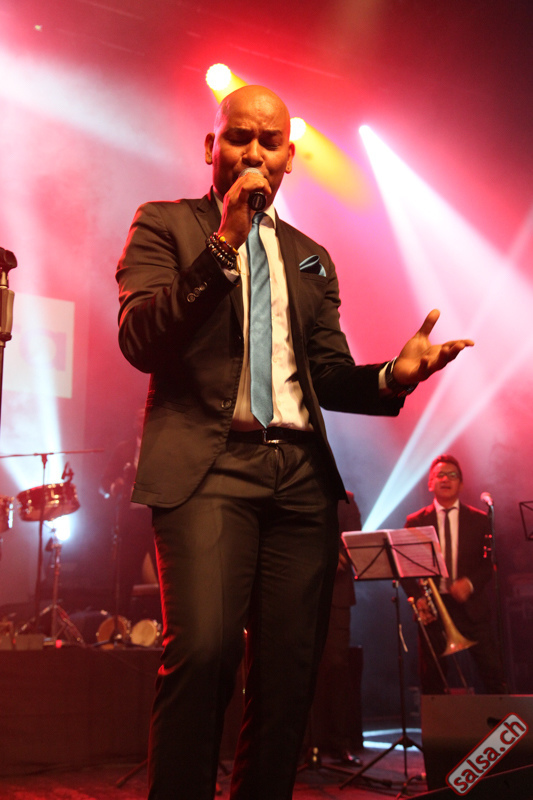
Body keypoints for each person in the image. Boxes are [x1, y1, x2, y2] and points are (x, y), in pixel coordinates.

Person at [115, 84, 474, 800]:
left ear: (289, 158)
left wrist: (392, 377)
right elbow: (140, 339)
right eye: (239, 137)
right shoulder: (165, 224)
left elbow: (330, 376)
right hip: (208, 469)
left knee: (289, 674)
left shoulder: (311, 258)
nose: (254, 152)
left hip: (300, 480)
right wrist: (224, 242)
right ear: (211, 147)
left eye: (270, 141)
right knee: (205, 652)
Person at [404, 454, 506, 694]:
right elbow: (405, 568)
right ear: (430, 483)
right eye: (440, 475)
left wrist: (469, 584)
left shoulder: (480, 520)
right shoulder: (415, 521)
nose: (446, 479)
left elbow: (489, 564)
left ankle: (502, 719)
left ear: (461, 484)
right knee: (432, 679)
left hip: (472, 608)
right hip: (433, 609)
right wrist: (417, 598)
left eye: (453, 475)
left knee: (493, 675)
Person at [100, 409, 157, 620]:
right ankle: (119, 624)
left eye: (146, 417)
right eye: (139, 418)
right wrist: (116, 486)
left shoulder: (162, 448)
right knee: (124, 576)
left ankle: (165, 626)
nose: (142, 421)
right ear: (135, 423)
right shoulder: (123, 450)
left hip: (156, 520)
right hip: (131, 521)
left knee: (165, 577)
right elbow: (104, 483)